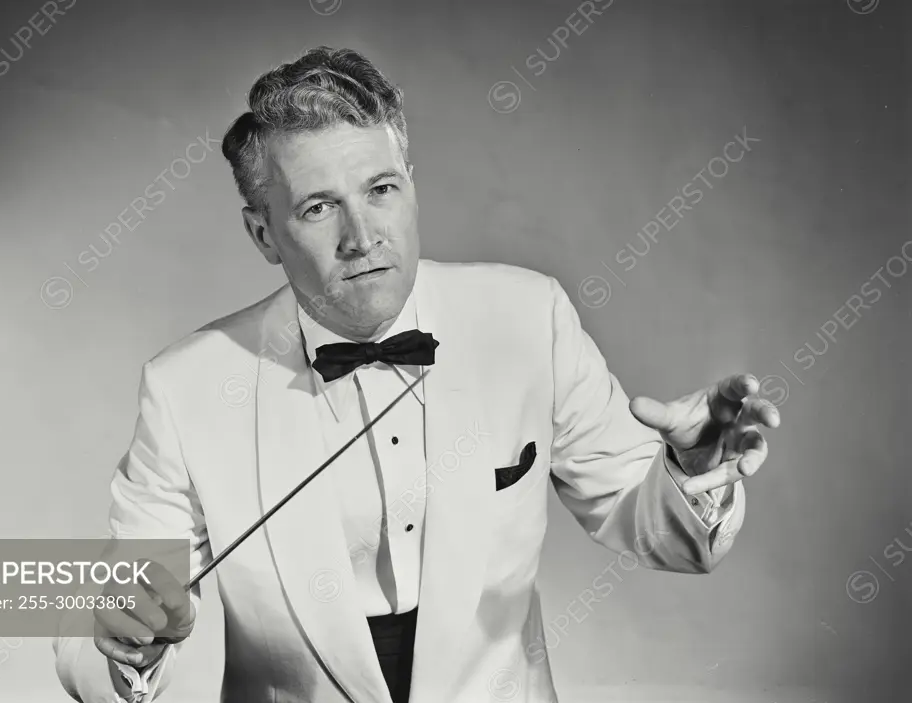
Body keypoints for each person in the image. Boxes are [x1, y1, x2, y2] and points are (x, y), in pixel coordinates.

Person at [53, 46, 779, 703]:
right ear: (263, 233)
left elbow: (654, 525)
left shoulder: (528, 318)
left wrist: (687, 469)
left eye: (380, 190)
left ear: (412, 185)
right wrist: (132, 638)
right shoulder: (186, 388)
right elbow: (118, 609)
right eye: (317, 207)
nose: (362, 236)